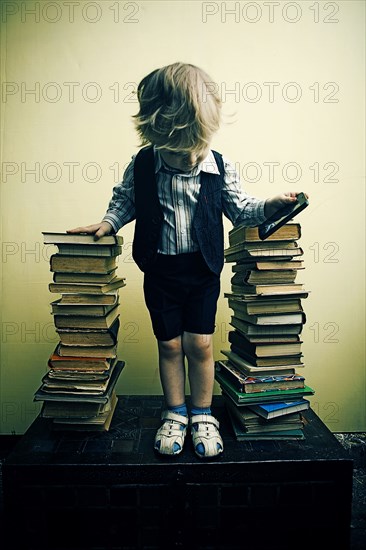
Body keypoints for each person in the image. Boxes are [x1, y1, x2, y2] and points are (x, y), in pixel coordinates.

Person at [68, 62, 302, 459]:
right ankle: (175, 412)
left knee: (201, 343)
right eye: (178, 152)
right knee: (170, 345)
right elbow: (126, 199)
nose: (188, 159)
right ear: (158, 135)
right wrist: (109, 222)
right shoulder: (143, 163)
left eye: (195, 149)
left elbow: (242, 209)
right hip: (159, 269)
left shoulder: (219, 166)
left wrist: (269, 206)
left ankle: (202, 413)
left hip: (202, 269)